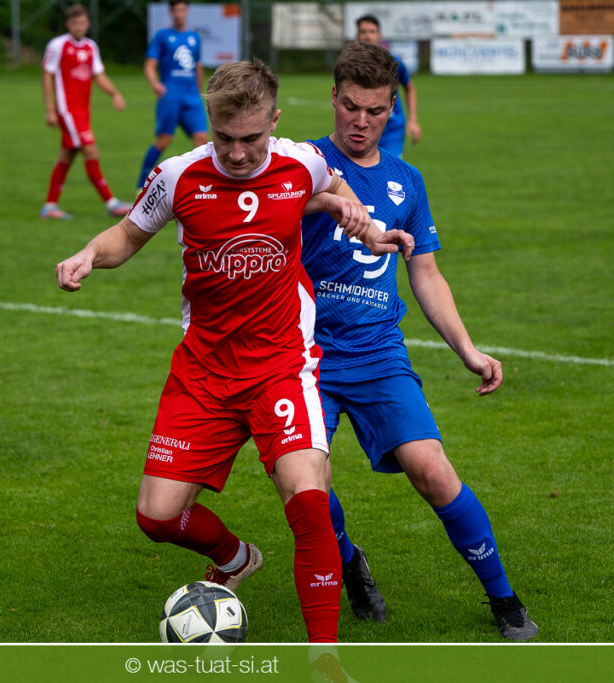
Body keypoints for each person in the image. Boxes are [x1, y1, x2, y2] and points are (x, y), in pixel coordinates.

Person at [57, 59, 414, 643]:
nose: (239, 153)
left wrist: (370, 230)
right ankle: (235, 558)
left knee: (309, 501)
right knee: (157, 516)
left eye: (252, 138)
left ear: (274, 121)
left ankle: (325, 661)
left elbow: (335, 190)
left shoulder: (303, 161)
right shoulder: (178, 176)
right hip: (204, 371)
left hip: (281, 365)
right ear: (210, 123)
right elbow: (126, 234)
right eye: (225, 138)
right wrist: (88, 255)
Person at [299, 41, 539, 641]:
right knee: (307, 488)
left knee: (431, 470)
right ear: (333, 98)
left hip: (378, 352)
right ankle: (350, 562)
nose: (360, 121)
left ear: (393, 110)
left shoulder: (407, 181)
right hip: (304, 355)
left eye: (375, 111)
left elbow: (425, 273)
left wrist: (468, 350)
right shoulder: (301, 164)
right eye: (350, 106)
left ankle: (504, 599)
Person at [40, 3, 132, 220]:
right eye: (74, 23)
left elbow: (99, 76)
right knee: (91, 150)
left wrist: (115, 94)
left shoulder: (91, 47)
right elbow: (47, 75)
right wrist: (50, 109)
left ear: (88, 24)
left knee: (67, 155)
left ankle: (50, 206)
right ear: (67, 24)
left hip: (82, 111)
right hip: (67, 110)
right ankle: (111, 203)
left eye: (82, 23)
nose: (78, 26)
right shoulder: (58, 45)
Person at [135, 0, 209, 191]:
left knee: (202, 141)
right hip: (170, 97)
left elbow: (197, 66)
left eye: (182, 10)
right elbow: (150, 65)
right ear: (171, 12)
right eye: (176, 10)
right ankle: (141, 185)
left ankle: (201, 187)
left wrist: (199, 90)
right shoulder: (162, 36)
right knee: (163, 141)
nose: (179, 14)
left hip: (191, 98)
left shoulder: (194, 37)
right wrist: (155, 84)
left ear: (187, 11)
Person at [354, 14, 421, 158]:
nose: (367, 36)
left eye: (372, 31)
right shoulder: (351, 65)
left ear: (379, 35)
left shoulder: (393, 62)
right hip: (361, 128)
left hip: (391, 128)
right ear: (357, 35)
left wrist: (413, 120)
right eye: (363, 32)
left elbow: (409, 88)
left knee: (389, 168)